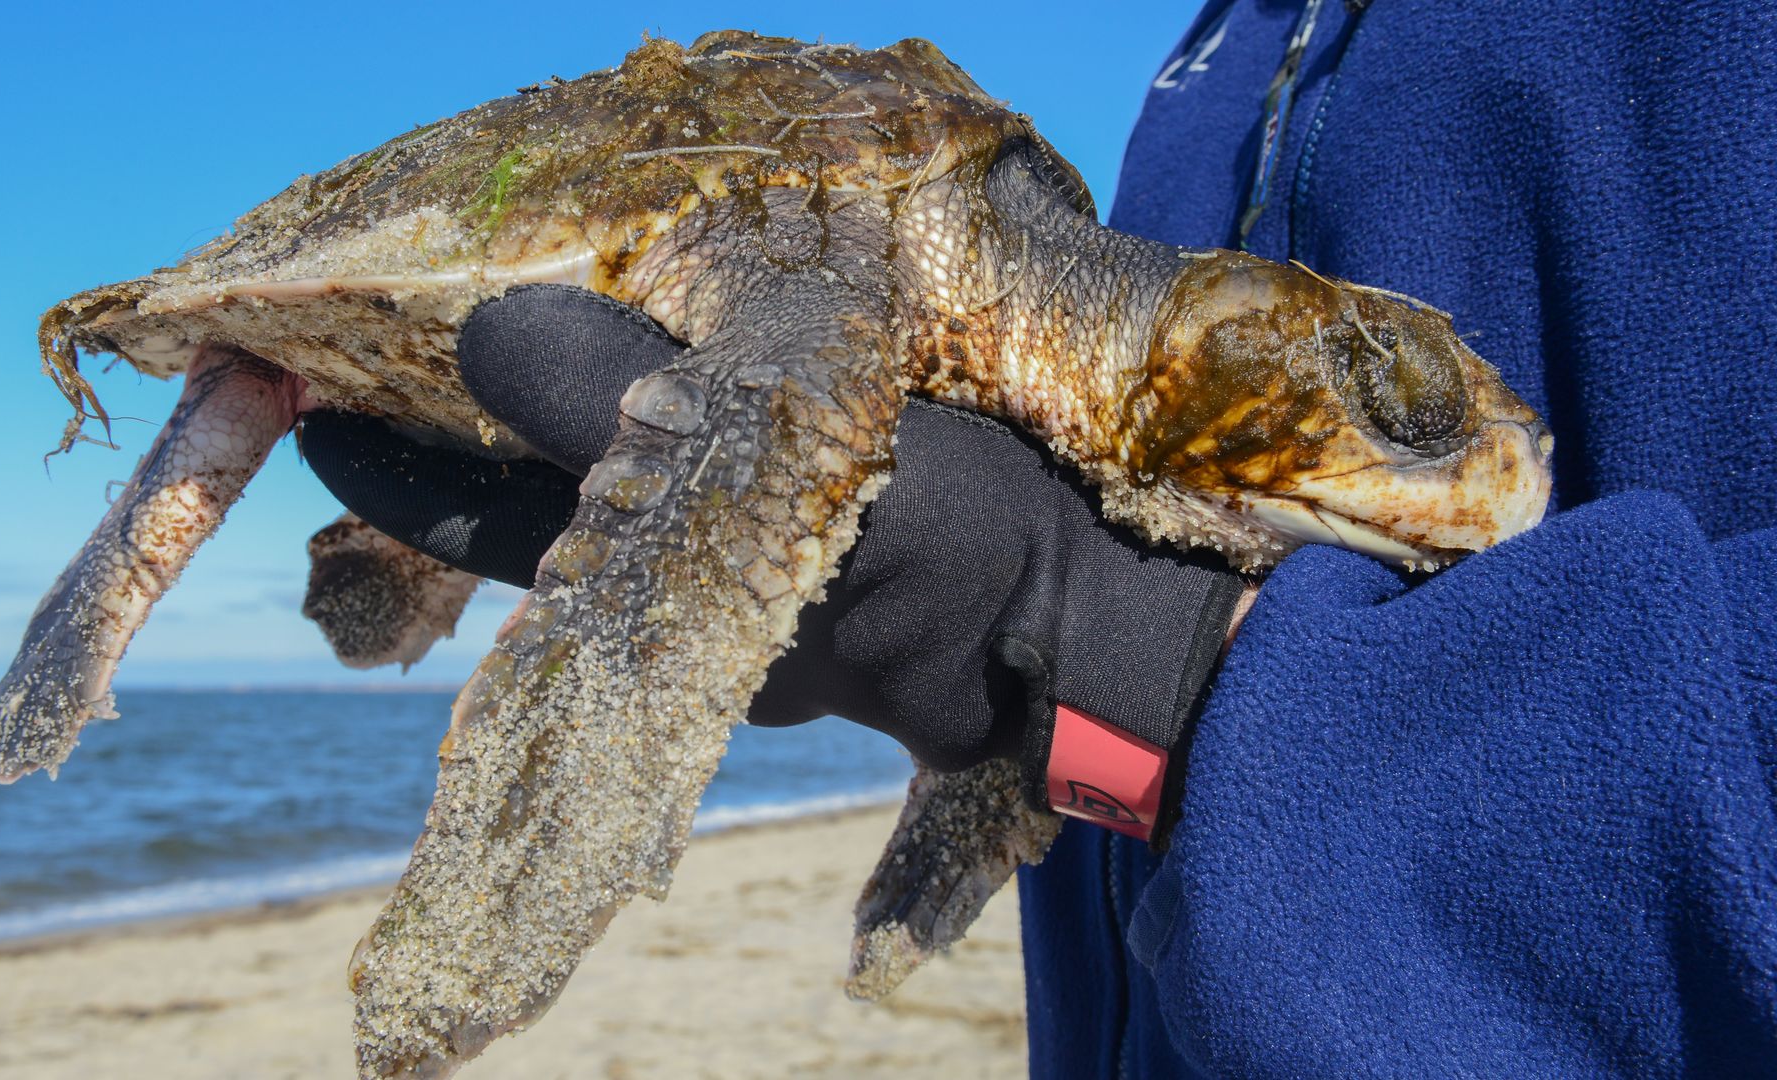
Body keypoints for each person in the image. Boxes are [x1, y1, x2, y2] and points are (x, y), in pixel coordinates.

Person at [301, 1, 1777, 1073]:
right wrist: (1049, 711)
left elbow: (1083, 579)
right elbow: (1039, 478)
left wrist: (1140, 660)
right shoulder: (1226, 43)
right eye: (1411, 408)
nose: (1506, 472)